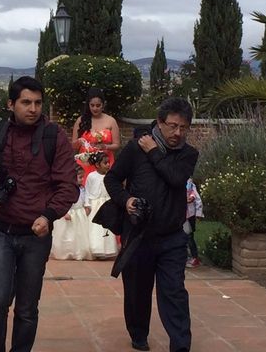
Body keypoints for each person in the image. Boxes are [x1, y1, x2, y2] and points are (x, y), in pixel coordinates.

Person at [0, 76, 79, 352]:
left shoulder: (53, 136)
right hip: (1, 228)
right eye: (26, 102)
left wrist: (48, 216)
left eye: (37, 103)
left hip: (36, 233)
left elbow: (68, 185)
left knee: (26, 307)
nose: (33, 108)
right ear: (11, 104)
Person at [104, 97, 198, 352]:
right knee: (137, 291)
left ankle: (180, 346)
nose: (177, 133)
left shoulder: (188, 154)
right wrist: (126, 200)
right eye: (172, 126)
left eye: (183, 128)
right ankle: (138, 334)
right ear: (159, 122)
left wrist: (153, 152)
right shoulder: (135, 149)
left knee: (174, 293)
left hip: (172, 238)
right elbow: (112, 179)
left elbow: (176, 178)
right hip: (139, 235)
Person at [72, 88, 120, 183]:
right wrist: (78, 142)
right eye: (92, 105)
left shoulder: (111, 121)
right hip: (85, 164)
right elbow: (73, 146)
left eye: (98, 105)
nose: (95, 108)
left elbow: (117, 145)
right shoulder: (81, 120)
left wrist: (105, 146)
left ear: (103, 105)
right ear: (88, 105)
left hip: (105, 164)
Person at [51, 165, 92, 260]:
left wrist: (87, 206)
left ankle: (78, 252)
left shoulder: (82, 189)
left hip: (79, 214)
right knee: (67, 234)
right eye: (80, 177)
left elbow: (85, 198)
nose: (82, 180)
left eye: (83, 177)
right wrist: (64, 212)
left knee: (79, 234)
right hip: (68, 213)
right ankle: (66, 251)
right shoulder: (67, 189)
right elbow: (63, 201)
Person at [85, 152, 118, 259]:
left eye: (108, 162)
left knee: (107, 226)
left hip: (107, 203)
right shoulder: (91, 176)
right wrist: (87, 204)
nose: (108, 165)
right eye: (105, 163)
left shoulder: (111, 176)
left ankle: (107, 250)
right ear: (97, 165)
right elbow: (87, 191)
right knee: (95, 227)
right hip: (95, 204)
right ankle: (96, 248)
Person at [185, 178, 203, 268]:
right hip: (179, 215)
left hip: (189, 216)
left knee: (189, 236)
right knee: (181, 236)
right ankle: (184, 257)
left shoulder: (190, 184)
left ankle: (194, 257)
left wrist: (198, 213)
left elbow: (197, 199)